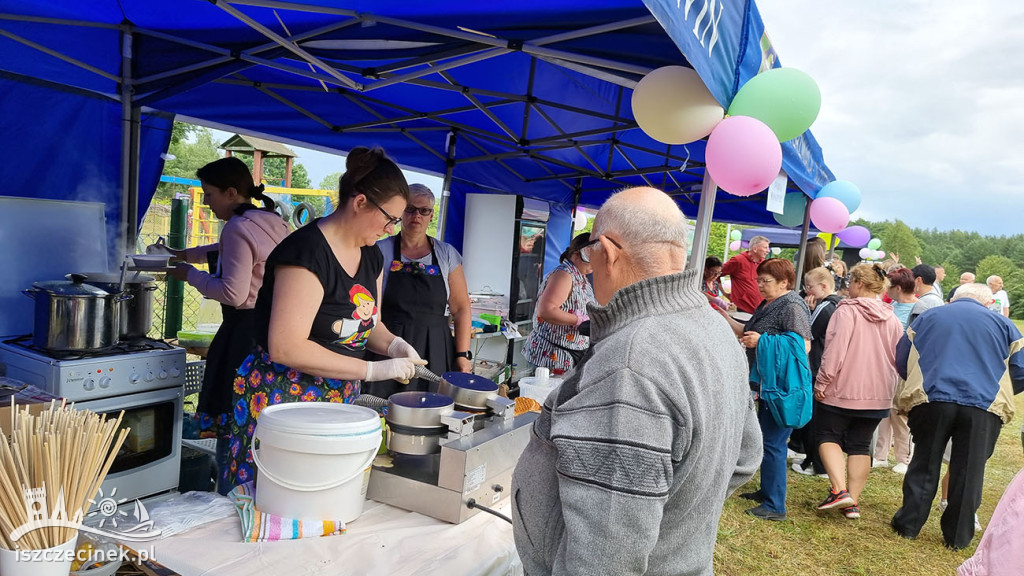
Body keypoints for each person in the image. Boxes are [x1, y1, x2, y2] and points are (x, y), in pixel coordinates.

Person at [511, 187, 761, 576]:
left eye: (592, 251)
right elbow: (745, 457)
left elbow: (604, 560)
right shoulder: (713, 325)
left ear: (608, 251)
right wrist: (678, 521)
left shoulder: (631, 363)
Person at [222, 147, 427, 490]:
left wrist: (393, 345)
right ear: (359, 202)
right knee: (275, 496)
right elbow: (286, 347)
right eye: (389, 218)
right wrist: (372, 370)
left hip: (337, 397)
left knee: (325, 495)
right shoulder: (306, 253)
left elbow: (368, 323)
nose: (393, 228)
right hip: (284, 398)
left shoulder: (371, 255)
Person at [166, 157, 289, 494]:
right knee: (254, 422)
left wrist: (188, 275)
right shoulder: (269, 220)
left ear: (231, 192)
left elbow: (232, 293)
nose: (207, 202)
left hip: (241, 334)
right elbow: (224, 251)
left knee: (230, 420)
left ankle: (227, 495)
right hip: (270, 331)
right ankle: (253, 491)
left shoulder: (237, 227)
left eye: (210, 195)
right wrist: (182, 254)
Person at [891, 283, 1024, 549]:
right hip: (984, 405)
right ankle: (958, 536)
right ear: (988, 303)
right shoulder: (1006, 325)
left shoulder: (928, 317)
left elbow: (902, 356)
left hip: (932, 397)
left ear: (953, 299)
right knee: (970, 469)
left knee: (924, 461)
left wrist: (915, 382)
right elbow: (1020, 372)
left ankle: (908, 525)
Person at [720, 258, 811, 521]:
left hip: (781, 386)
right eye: (759, 280)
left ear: (784, 282)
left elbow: (803, 347)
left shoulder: (792, 305)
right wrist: (724, 317)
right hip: (766, 383)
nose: (760, 285)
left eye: (766, 281)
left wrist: (762, 341)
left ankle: (775, 505)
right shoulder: (768, 303)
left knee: (773, 443)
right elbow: (747, 332)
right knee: (765, 440)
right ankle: (767, 491)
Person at [813, 263, 904, 519]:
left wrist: (822, 381)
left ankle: (840, 491)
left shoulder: (846, 312)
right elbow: (898, 356)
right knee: (860, 444)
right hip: (879, 392)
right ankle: (852, 501)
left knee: (827, 436)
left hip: (843, 388)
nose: (847, 286)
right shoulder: (893, 317)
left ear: (859, 284)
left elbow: (835, 352)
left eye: (850, 281)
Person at [365, 184, 472, 398]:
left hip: (435, 346)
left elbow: (461, 308)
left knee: (431, 407)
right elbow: (370, 309)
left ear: (432, 215)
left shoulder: (446, 254)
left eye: (424, 211)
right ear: (401, 212)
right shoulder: (379, 250)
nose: (417, 215)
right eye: (411, 209)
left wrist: (462, 354)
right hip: (388, 344)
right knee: (385, 407)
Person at [522, 233, 595, 375]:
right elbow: (547, 310)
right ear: (576, 254)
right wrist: (578, 320)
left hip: (570, 355)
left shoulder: (581, 277)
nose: (593, 264)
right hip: (551, 356)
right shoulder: (564, 275)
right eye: (589, 257)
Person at [792, 266, 841, 477]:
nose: (807, 291)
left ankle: (815, 462)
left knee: (812, 419)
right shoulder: (839, 304)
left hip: (815, 367)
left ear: (823, 286)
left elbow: (806, 333)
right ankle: (815, 460)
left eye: (810, 287)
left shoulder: (824, 307)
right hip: (827, 367)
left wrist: (808, 311)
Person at [874, 266, 917, 474]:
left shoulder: (918, 309)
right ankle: (880, 454)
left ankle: (903, 457)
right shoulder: (889, 307)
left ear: (898, 288)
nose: (886, 290)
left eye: (889, 286)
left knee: (900, 413)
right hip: (884, 365)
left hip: (904, 367)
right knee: (884, 411)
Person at [721, 235, 771, 314]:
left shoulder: (764, 264)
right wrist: (724, 293)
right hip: (741, 310)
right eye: (765, 247)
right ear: (755, 248)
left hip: (759, 310)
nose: (768, 251)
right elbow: (716, 273)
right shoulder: (738, 260)